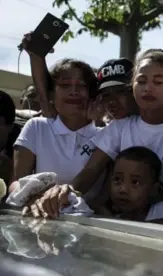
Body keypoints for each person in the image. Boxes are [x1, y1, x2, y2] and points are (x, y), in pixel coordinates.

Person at [27, 50, 163, 225]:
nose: (148, 88)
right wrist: (65, 190)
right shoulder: (118, 128)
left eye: (120, 91)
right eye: (105, 95)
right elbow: (90, 172)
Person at [9, 58, 104, 203]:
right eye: (65, 85)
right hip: (39, 218)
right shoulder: (36, 127)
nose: (74, 91)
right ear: (51, 95)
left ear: (91, 94)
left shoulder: (106, 135)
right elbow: (16, 182)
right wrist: (34, 200)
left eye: (81, 85)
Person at [63, 146, 163, 222]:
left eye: (135, 182)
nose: (123, 189)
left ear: (154, 189)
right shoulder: (103, 216)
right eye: (117, 180)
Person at [95, 58, 137, 124]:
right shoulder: (102, 132)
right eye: (106, 95)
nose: (112, 101)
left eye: (119, 91)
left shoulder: (156, 125)